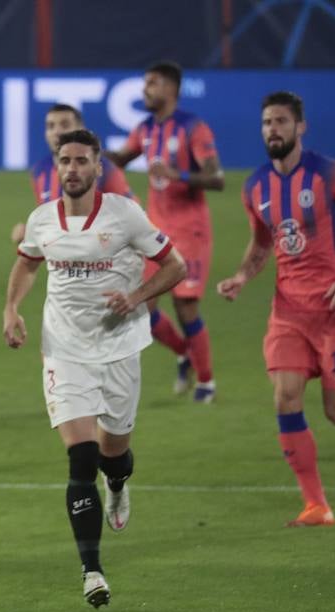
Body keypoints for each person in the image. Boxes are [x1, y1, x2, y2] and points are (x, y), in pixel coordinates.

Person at [3, 129, 186, 607]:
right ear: (57, 166)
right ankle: (92, 571)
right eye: (65, 161)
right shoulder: (43, 219)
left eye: (82, 161)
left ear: (98, 166)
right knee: (81, 458)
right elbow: (26, 264)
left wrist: (136, 296)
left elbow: (176, 266)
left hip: (120, 348)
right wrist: (12, 310)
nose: (73, 169)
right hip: (63, 350)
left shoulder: (125, 215)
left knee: (113, 454)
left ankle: (119, 483)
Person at [217, 91, 335, 527]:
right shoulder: (255, 186)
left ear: (300, 127)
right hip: (288, 313)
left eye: (282, 122)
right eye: (267, 122)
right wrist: (241, 276)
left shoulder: (331, 174)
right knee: (285, 397)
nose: (273, 129)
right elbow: (262, 243)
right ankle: (316, 505)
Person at [106, 61, 225, 402]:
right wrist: (91, 155)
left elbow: (216, 178)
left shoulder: (193, 128)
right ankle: (183, 353)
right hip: (155, 232)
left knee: (186, 307)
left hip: (191, 232)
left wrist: (179, 175)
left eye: (152, 84)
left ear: (170, 89)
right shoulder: (145, 129)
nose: (145, 90)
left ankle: (206, 383)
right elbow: (122, 158)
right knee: (142, 307)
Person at [10, 103, 136, 243]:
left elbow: (135, 218)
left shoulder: (104, 169)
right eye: (51, 126)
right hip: (64, 263)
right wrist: (30, 233)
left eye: (65, 125)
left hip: (105, 261)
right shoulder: (40, 171)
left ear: (80, 130)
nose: (56, 132)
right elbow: (51, 222)